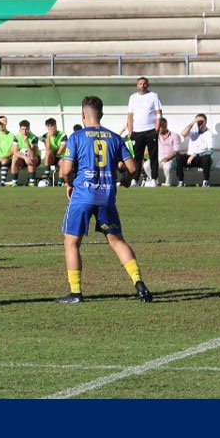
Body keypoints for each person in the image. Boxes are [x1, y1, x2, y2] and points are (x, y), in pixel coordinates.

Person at [55, 96, 151, 304]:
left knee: (71, 243)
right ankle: (139, 283)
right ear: (101, 114)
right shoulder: (115, 138)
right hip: (106, 196)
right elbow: (133, 167)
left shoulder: (77, 137)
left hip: (82, 196)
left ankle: (76, 292)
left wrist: (69, 184)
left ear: (83, 115)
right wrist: (126, 180)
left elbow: (66, 170)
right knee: (117, 241)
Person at [124, 76, 162, 186]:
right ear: (137, 85)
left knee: (153, 156)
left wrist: (156, 129)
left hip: (151, 130)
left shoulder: (154, 96)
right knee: (137, 157)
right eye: (140, 84)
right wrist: (130, 131)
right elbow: (130, 115)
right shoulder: (133, 97)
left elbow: (158, 113)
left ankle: (154, 179)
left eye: (144, 84)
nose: (142, 85)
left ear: (148, 85)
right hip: (137, 132)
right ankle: (135, 180)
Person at [180, 114, 216, 187]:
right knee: (179, 157)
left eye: (201, 121)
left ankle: (206, 181)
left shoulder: (209, 133)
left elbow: (210, 150)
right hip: (189, 158)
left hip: (201, 158)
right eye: (198, 121)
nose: (199, 123)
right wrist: (193, 122)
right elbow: (183, 134)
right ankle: (181, 181)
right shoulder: (193, 130)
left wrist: (195, 155)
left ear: (206, 122)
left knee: (207, 158)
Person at [155, 117, 186, 187]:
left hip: (171, 158)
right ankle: (154, 181)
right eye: (157, 126)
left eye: (160, 126)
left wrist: (168, 158)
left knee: (167, 166)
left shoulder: (174, 135)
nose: (158, 128)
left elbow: (176, 151)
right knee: (147, 165)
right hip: (159, 158)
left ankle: (168, 182)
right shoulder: (155, 136)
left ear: (165, 126)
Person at [8, 119, 40, 186]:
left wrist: (27, 142)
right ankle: (14, 182)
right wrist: (25, 157)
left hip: (34, 158)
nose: (25, 131)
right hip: (23, 158)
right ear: (20, 129)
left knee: (32, 159)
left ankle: (32, 182)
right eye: (22, 129)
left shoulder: (34, 138)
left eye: (26, 129)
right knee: (14, 159)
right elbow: (15, 152)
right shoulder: (16, 137)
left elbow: (32, 155)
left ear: (29, 129)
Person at [39, 118, 67, 186]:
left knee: (63, 162)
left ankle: (60, 183)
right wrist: (48, 137)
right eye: (48, 126)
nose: (50, 128)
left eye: (52, 126)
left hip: (60, 157)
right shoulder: (45, 135)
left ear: (55, 126)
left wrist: (53, 153)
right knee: (48, 152)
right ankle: (47, 174)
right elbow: (48, 149)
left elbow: (59, 152)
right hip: (51, 158)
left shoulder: (63, 135)